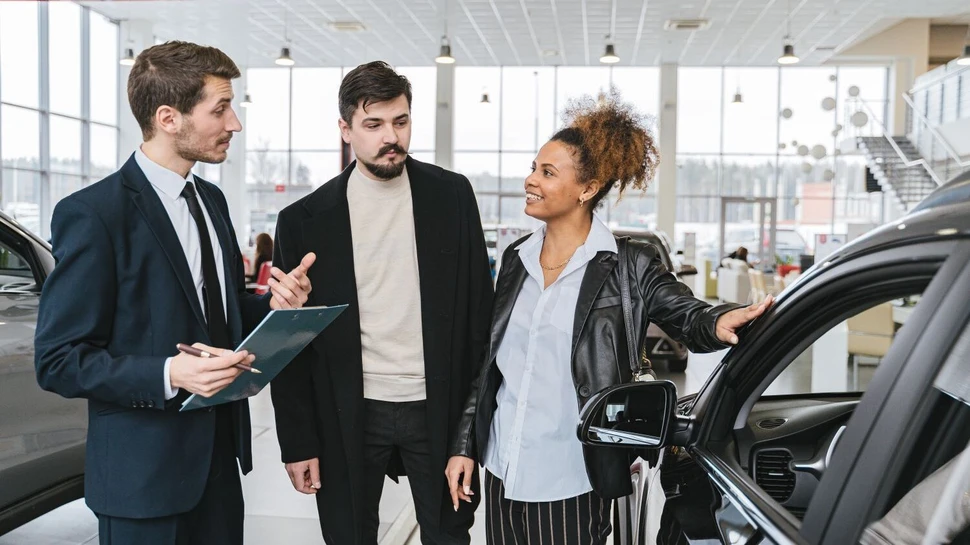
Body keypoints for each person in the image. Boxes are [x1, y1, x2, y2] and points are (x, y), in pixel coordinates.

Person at [444, 90, 773, 545]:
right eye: (533, 168)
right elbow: (487, 365)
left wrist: (717, 321)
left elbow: (684, 312)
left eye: (547, 172)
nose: (530, 180)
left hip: (571, 475)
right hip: (504, 468)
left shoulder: (627, 265)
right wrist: (464, 447)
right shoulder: (515, 258)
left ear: (587, 188)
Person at [34, 41, 314, 545]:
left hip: (219, 468)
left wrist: (272, 306)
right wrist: (169, 373)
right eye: (220, 109)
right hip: (142, 482)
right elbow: (58, 360)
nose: (235, 124)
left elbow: (216, 319)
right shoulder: (95, 215)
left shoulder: (212, 201)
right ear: (168, 117)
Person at [270, 61, 493, 544]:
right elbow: (290, 344)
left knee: (449, 536)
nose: (390, 136)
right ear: (346, 129)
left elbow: (481, 321)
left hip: (439, 406)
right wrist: (298, 441)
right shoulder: (302, 221)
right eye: (373, 124)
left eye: (401, 121)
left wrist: (471, 436)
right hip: (348, 409)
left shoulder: (452, 196)